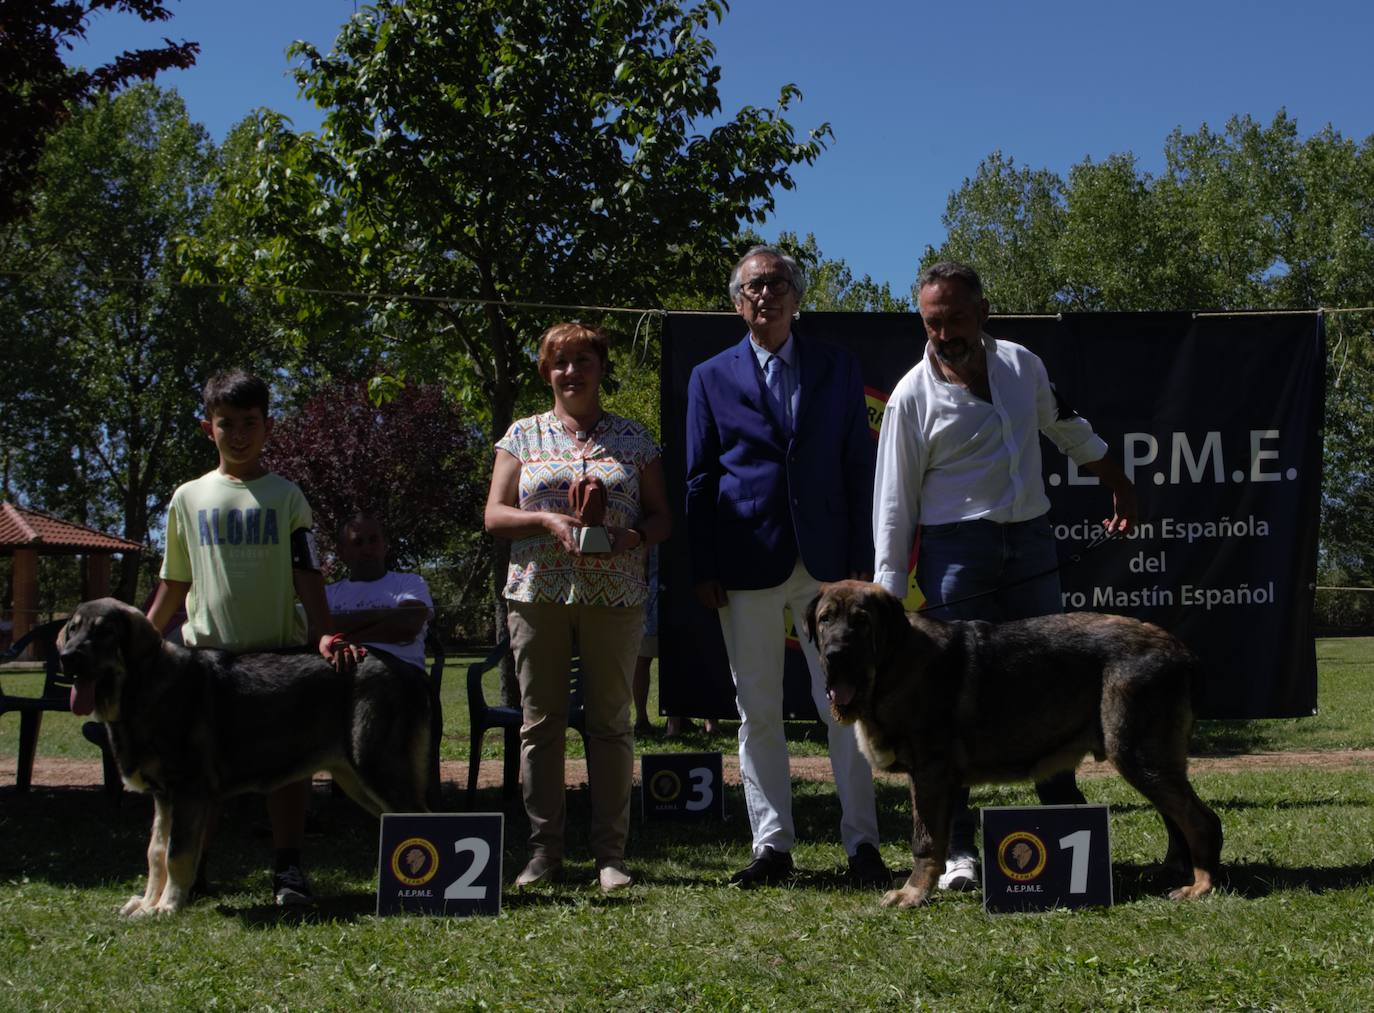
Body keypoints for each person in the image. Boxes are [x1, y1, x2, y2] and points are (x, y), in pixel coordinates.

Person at [872, 260, 1138, 891]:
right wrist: (887, 593)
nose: (944, 333)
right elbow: (893, 501)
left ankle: (1067, 833)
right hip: (956, 553)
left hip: (1032, 542)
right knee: (948, 711)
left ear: (983, 312)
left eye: (956, 318)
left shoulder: (1023, 365)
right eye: (933, 322)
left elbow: (1067, 428)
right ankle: (957, 852)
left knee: (1050, 686)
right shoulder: (911, 396)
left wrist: (1120, 485)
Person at [685, 245, 889, 890]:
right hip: (745, 560)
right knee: (758, 710)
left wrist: (862, 563)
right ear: (735, 302)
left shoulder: (838, 366)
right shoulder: (709, 376)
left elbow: (860, 466)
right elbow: (700, 475)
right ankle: (771, 846)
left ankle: (862, 845)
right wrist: (704, 563)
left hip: (828, 565)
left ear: (798, 297)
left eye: (776, 284)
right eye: (751, 287)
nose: (764, 295)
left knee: (844, 704)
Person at [146, 370, 359, 908]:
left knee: (290, 765)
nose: (238, 434)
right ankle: (192, 874)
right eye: (226, 424)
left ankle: (288, 870)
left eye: (249, 423)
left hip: (277, 656)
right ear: (207, 428)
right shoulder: (187, 498)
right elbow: (176, 578)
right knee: (198, 769)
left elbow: (307, 574)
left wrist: (323, 633)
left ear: (269, 426)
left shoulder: (287, 496)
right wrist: (146, 635)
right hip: (205, 660)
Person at [484, 322, 671, 894]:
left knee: (612, 724)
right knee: (541, 726)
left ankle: (610, 855)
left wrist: (631, 539)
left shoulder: (636, 440)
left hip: (614, 596)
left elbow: (663, 519)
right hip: (537, 593)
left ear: (600, 368)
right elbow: (494, 516)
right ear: (546, 372)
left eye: (584, 360)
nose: (572, 371)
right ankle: (545, 852)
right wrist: (544, 519)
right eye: (561, 362)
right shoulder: (522, 436)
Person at [326, 512, 434, 675]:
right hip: (343, 676)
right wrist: (388, 615)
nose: (367, 549)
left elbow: (408, 624)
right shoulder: (328, 593)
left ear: (385, 545)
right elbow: (314, 631)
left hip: (401, 676)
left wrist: (345, 635)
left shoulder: (409, 582)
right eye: (358, 543)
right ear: (342, 553)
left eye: (373, 540)